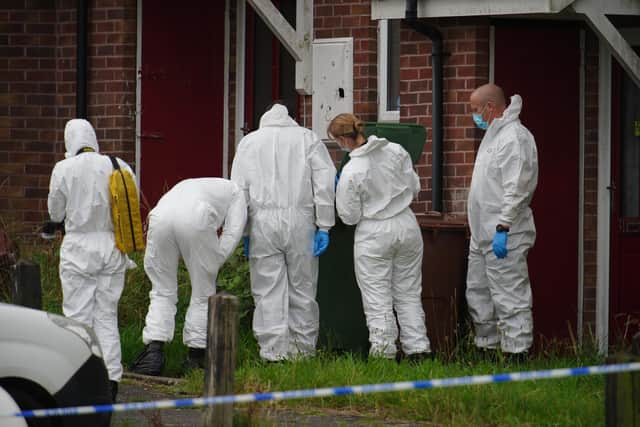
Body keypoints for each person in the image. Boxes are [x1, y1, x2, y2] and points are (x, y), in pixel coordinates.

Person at [230, 102, 336, 362]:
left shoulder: (249, 143)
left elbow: (238, 190)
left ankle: (273, 353)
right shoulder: (307, 138)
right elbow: (324, 183)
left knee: (267, 288)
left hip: (262, 222)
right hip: (301, 219)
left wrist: (243, 231)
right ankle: (302, 353)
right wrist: (324, 225)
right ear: (292, 118)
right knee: (303, 287)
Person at [328, 113, 432, 363]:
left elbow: (349, 216)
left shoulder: (353, 170)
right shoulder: (395, 150)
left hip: (373, 232)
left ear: (343, 139)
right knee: (408, 292)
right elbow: (414, 186)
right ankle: (418, 351)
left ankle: (384, 354)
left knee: (377, 296)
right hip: (407, 225)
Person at [47, 118, 137, 401]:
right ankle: (110, 381)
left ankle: (81, 383)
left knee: (77, 319)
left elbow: (55, 212)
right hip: (112, 247)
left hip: (79, 248)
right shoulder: (119, 165)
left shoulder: (63, 168)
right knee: (107, 316)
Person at [130, 178, 247, 375]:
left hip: (160, 217)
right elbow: (232, 232)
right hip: (196, 217)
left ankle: (152, 353)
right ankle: (196, 357)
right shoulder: (238, 193)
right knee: (203, 292)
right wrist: (214, 261)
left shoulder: (201, 184)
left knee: (161, 290)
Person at [465, 83, 538, 361]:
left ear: (490, 107)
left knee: (510, 295)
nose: (474, 116)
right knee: (479, 293)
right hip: (482, 233)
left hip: (505, 232)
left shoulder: (514, 139)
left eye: (475, 110)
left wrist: (503, 226)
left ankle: (517, 353)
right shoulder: (494, 137)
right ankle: (487, 349)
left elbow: (517, 187)